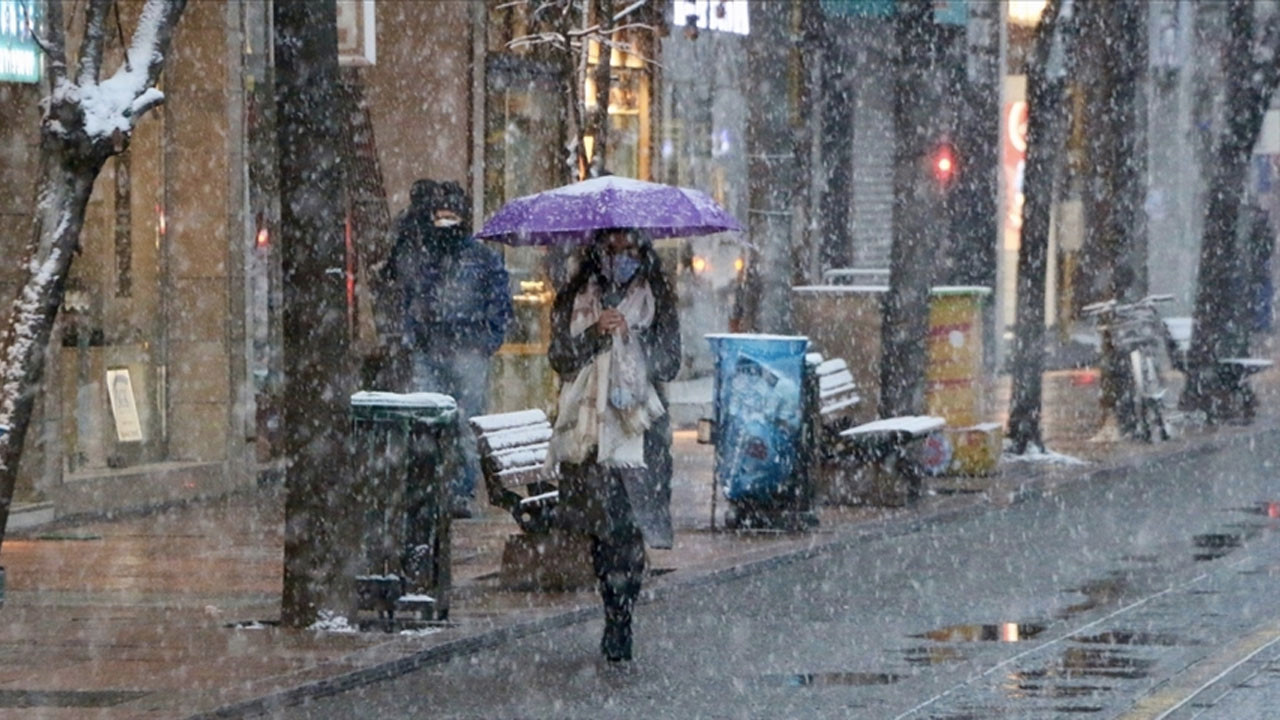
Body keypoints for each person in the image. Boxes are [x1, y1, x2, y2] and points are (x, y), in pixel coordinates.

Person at [547, 228, 680, 662]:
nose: (620, 257)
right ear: (597, 252)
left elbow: (670, 361)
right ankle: (613, 605)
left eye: (629, 249)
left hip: (640, 426)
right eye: (612, 249)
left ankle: (623, 614)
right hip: (590, 429)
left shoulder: (655, 297)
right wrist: (595, 334)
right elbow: (560, 357)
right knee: (605, 531)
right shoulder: (576, 296)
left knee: (630, 527)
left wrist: (632, 339)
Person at [385, 179, 513, 518]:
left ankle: (460, 491)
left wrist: (487, 340)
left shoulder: (481, 258)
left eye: (451, 216)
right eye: (440, 216)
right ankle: (430, 489)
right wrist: (415, 336)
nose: (445, 223)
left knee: (465, 425)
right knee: (428, 422)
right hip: (432, 349)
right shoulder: (428, 254)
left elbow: (499, 300)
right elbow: (411, 296)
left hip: (468, 352)